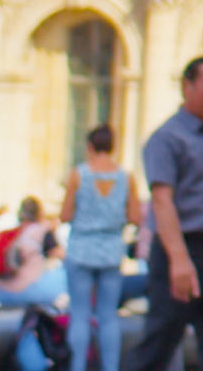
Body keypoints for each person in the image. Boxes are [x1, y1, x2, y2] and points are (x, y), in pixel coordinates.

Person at [131, 55, 203, 371]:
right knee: (160, 342)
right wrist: (179, 260)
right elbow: (162, 201)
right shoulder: (166, 138)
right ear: (187, 86)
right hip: (178, 249)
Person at [64, 124, 141, 371]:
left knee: (80, 314)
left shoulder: (78, 174)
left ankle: (77, 366)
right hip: (111, 250)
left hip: (80, 248)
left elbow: (65, 214)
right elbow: (135, 216)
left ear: (89, 147)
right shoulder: (126, 177)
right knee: (108, 316)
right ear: (113, 147)